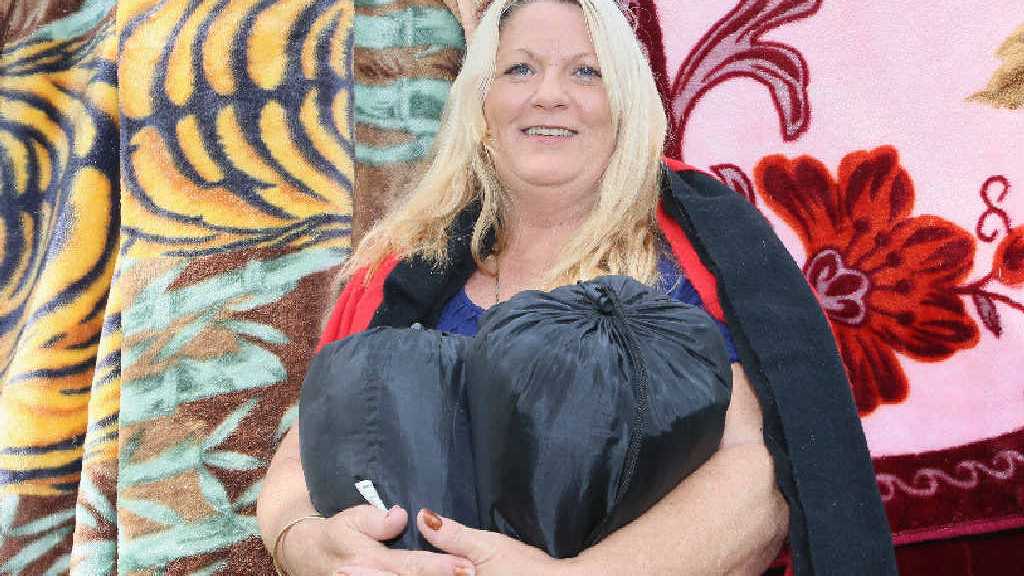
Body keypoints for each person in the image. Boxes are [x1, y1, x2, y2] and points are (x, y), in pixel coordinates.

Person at [256, 1, 896, 575]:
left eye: (585, 72)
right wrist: (302, 539)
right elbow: (309, 441)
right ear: (480, 103)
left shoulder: (692, 253)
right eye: (520, 70)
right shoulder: (403, 267)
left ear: (626, 101)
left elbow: (757, 475)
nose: (549, 95)